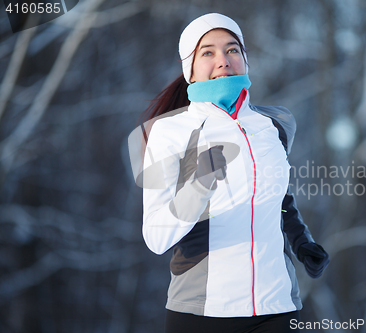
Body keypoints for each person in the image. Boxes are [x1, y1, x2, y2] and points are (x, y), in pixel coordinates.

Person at [136, 13, 329, 333]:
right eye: (208, 52)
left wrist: (301, 241)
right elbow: (156, 236)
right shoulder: (168, 132)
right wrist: (200, 184)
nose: (223, 60)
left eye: (232, 50)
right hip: (202, 313)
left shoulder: (276, 124)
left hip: (278, 308)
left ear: (245, 60)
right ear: (191, 70)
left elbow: (279, 198)